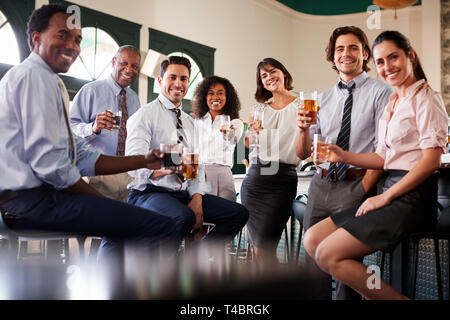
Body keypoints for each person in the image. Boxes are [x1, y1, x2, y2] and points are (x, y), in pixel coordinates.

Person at [0, 4, 177, 263]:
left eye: (78, 39)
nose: (72, 46)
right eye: (62, 35)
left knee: (123, 224)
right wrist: (105, 203)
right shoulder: (34, 78)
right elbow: (53, 166)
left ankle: (109, 286)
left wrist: (143, 160)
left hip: (37, 198)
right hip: (26, 202)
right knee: (162, 226)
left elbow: (80, 156)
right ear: (36, 37)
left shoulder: (50, 80)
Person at [303, 30, 448, 300]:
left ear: (410, 56)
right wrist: (341, 155)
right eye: (381, 62)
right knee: (312, 239)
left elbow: (431, 162)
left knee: (328, 253)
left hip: (411, 198)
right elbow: (382, 156)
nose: (387, 67)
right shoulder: (394, 101)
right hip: (390, 193)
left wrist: (383, 197)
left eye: (393, 57)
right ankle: (375, 294)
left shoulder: (427, 98)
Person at [295, 26, 393, 299]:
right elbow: (303, 153)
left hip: (355, 184)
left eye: (353, 48)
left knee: (343, 262)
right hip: (321, 184)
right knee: (313, 261)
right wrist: (302, 128)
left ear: (365, 54)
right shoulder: (322, 99)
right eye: (340, 49)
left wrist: (364, 187)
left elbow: (384, 148)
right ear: (332, 56)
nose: (346, 54)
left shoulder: (382, 93)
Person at [125, 56, 249, 247]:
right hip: (150, 192)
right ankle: (161, 268)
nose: (178, 83)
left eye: (183, 79)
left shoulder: (191, 123)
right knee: (182, 217)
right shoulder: (144, 115)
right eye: (172, 77)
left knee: (238, 214)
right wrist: (168, 164)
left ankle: (197, 259)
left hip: (183, 194)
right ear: (160, 81)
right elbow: (134, 163)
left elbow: (196, 168)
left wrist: (197, 198)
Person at [240, 57, 300, 264]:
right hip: (256, 178)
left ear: (283, 72)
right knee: (257, 249)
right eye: (263, 76)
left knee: (266, 246)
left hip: (283, 180)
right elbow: (249, 144)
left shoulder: (302, 105)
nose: (269, 78)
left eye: (272, 71)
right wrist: (250, 134)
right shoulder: (260, 110)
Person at [70, 45, 142, 202]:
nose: (129, 70)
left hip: (128, 174)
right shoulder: (90, 91)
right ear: (114, 62)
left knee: (122, 225)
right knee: (93, 224)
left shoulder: (134, 98)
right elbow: (69, 129)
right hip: (98, 173)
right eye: (124, 63)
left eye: (134, 66)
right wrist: (93, 127)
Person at [192, 75, 244, 202]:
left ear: (227, 97)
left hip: (223, 175)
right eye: (211, 93)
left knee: (226, 216)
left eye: (220, 93)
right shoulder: (196, 122)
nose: (215, 97)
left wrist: (228, 133)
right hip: (199, 174)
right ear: (204, 97)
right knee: (200, 217)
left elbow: (233, 139)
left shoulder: (235, 122)